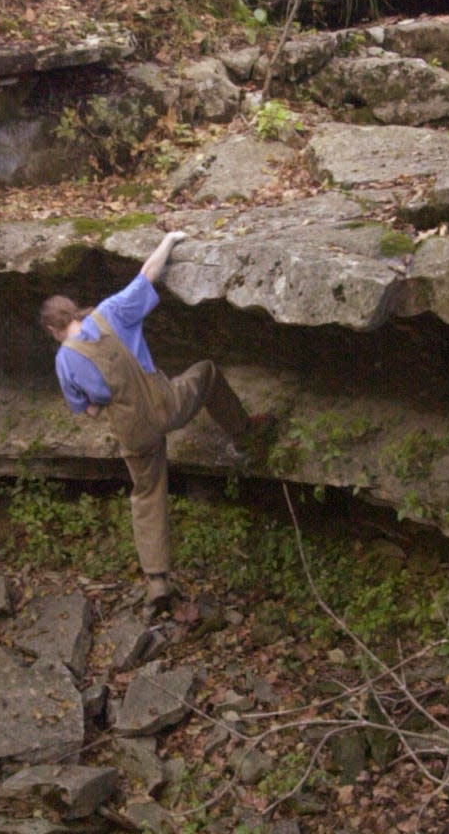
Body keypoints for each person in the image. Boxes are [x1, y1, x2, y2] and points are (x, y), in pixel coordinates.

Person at [40, 230, 274, 614]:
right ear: (74, 308)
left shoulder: (63, 361)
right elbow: (148, 274)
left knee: (147, 494)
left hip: (133, 429)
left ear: (52, 329)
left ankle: (157, 582)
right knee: (208, 373)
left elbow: (88, 410)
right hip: (168, 404)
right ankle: (244, 433)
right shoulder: (111, 312)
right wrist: (169, 240)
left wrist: (106, 399)